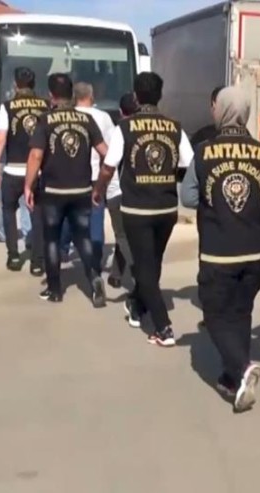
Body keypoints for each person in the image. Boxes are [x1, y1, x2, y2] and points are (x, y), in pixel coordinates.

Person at [180, 86, 260, 413]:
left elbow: (188, 198)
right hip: (255, 251)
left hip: (218, 251)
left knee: (215, 313)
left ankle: (243, 368)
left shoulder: (204, 152)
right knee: (241, 313)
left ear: (220, 111)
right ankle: (233, 380)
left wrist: (214, 199)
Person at [96, 72, 193, 346]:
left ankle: (163, 327)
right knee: (152, 263)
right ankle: (137, 306)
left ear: (136, 97)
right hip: (166, 208)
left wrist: (98, 190)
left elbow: (108, 167)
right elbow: (190, 165)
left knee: (144, 268)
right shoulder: (175, 128)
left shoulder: (125, 127)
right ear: (159, 96)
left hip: (137, 209)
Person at [25, 73, 108, 306]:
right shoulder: (86, 120)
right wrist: (100, 183)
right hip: (82, 190)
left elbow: (35, 155)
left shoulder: (46, 120)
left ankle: (54, 289)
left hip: (53, 191)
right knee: (83, 237)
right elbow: (105, 152)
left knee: (52, 239)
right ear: (71, 94)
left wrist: (28, 186)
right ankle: (94, 278)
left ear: (51, 95)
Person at [0, 66, 49, 275]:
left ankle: (13, 255)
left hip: (13, 170)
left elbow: (0, 139)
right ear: (34, 84)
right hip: (38, 171)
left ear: (15, 85)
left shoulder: (8, 106)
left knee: (8, 211)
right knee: (38, 214)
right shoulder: (46, 106)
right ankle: (37, 261)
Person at [57, 82, 116, 267]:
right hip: (95, 176)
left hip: (69, 175)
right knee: (96, 216)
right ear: (91, 96)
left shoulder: (64, 116)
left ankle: (62, 250)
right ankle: (95, 256)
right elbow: (109, 150)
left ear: (74, 97)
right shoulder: (103, 117)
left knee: (68, 215)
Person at [106, 92, 139, 289]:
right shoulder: (140, 131)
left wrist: (99, 188)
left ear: (120, 112)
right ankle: (116, 274)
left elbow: (108, 165)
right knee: (125, 234)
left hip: (116, 191)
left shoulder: (116, 131)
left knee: (122, 235)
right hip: (135, 192)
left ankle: (137, 271)